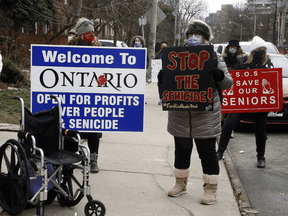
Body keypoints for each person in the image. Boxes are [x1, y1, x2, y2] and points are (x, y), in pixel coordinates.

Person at [164, 20, 233, 205]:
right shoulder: (176, 55)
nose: (194, 37)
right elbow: (167, 85)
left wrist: (219, 76)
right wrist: (162, 79)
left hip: (206, 115)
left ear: (205, 37)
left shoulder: (214, 57)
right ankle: (180, 184)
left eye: (198, 34)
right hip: (180, 115)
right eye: (191, 34)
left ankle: (211, 189)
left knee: (207, 153)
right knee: (181, 151)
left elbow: (228, 83)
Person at [216, 36, 272, 169]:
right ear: (253, 52)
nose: (261, 52)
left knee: (260, 131)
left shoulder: (268, 63)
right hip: (243, 103)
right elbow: (235, 79)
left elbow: (272, 81)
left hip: (259, 104)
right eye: (258, 49)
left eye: (263, 49)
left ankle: (261, 157)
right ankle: (219, 152)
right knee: (228, 126)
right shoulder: (244, 63)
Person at [68, 17, 101, 173]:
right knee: (74, 127)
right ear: (80, 34)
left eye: (92, 33)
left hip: (93, 94)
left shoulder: (98, 49)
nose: (91, 35)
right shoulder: (71, 48)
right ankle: (76, 155)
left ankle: (93, 160)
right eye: (87, 33)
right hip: (74, 95)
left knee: (94, 128)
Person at [221, 40, 248, 138]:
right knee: (223, 106)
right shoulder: (222, 58)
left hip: (237, 86)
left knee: (232, 108)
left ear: (238, 49)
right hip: (224, 84)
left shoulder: (243, 59)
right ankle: (222, 127)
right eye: (231, 47)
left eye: (234, 47)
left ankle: (229, 128)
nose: (232, 49)